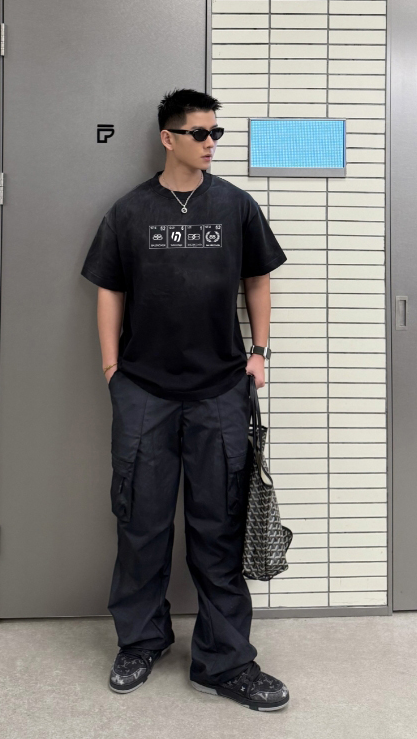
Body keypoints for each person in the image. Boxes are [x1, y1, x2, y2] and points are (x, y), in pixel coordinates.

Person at [80, 88, 289, 712]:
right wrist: (112, 368)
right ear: (168, 138)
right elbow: (109, 289)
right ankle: (140, 642)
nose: (210, 143)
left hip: (220, 392)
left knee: (219, 529)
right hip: (144, 392)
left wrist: (260, 353)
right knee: (140, 524)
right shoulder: (130, 211)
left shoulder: (236, 205)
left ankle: (224, 662)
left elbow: (258, 279)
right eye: (199, 133)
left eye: (215, 133)